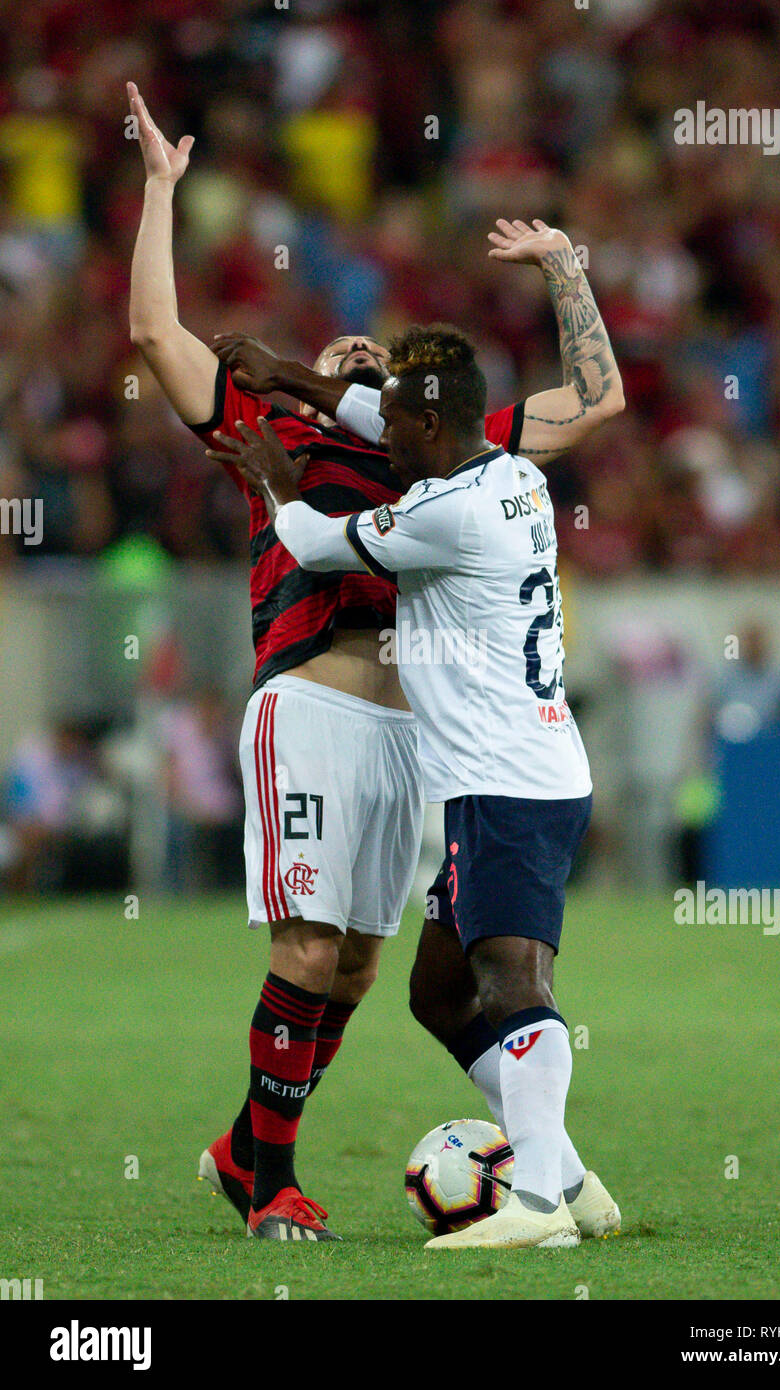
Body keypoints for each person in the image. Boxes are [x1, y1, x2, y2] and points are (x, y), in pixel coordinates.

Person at [126, 83, 619, 1241]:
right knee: (306, 947)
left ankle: (246, 1144)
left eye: (382, 363)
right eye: (346, 348)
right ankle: (270, 1181)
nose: (362, 355)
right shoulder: (275, 428)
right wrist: (159, 193)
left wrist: (561, 267)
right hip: (317, 697)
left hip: (420, 738)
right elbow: (155, 334)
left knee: (353, 971)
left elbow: (591, 403)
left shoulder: (444, 469)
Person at [212, 325, 622, 1249]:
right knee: (437, 991)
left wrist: (279, 475)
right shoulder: (512, 474)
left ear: (430, 422)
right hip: (527, 767)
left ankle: (540, 1207)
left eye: (393, 419)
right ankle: (563, 1174)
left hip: (503, 780)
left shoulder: (448, 515)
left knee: (513, 982)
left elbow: (317, 545)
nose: (378, 437)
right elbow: (380, 413)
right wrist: (290, 376)